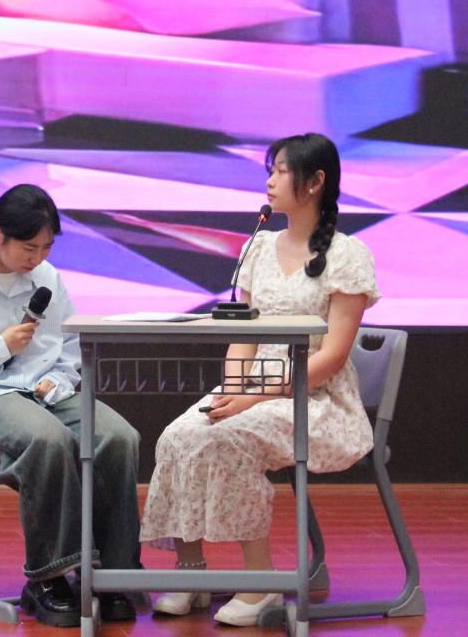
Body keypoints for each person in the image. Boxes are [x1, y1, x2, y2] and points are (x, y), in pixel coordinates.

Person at [138, 133, 380, 626]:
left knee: (230, 440)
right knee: (179, 435)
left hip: (316, 399)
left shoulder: (348, 255)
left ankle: (259, 581)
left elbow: (333, 356)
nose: (270, 180)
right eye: (271, 170)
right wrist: (233, 390)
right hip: (253, 390)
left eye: (282, 171)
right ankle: (190, 572)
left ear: (315, 182)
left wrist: (254, 396)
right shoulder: (259, 248)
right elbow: (242, 338)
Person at [0, 183, 141, 628]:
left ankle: (112, 576)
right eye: (29, 247)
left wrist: (59, 379)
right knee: (47, 440)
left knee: (118, 437)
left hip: (47, 391)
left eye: (47, 247)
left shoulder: (48, 278)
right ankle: (48, 577)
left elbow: (69, 348)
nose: (38, 258)